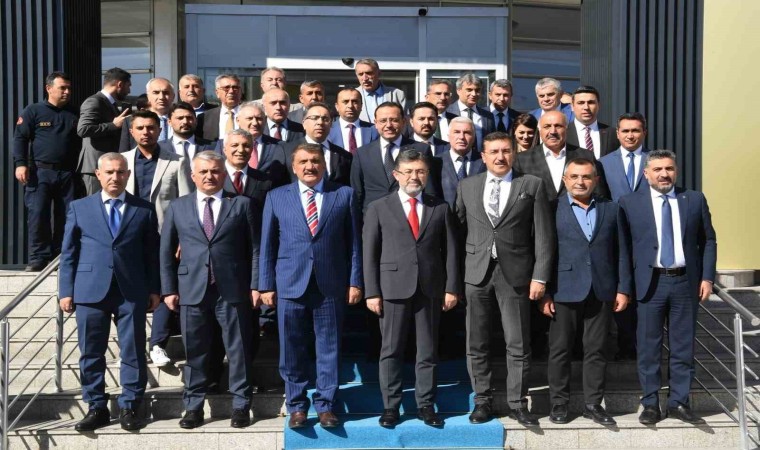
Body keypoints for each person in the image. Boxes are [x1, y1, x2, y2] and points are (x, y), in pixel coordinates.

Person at [454, 132, 554, 427]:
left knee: (518, 342)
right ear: (483, 156)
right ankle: (482, 401)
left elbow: (544, 236)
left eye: (506, 151)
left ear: (514, 153)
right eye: (494, 152)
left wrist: (540, 277)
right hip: (476, 273)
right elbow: (457, 232)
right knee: (476, 342)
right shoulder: (467, 185)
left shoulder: (531, 184)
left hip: (516, 274)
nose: (500, 157)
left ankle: (518, 403)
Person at [259, 143, 363, 429]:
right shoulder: (276, 197)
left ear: (324, 164)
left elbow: (354, 244)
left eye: (315, 161)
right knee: (291, 348)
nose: (310, 166)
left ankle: (326, 405)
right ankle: (296, 406)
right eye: (303, 161)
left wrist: (355, 281)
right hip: (290, 284)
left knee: (329, 347)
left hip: (330, 284)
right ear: (294, 167)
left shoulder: (344, 195)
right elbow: (267, 245)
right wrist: (265, 284)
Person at [59, 152, 160, 432]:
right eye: (110, 172)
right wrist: (66, 290)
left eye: (120, 172)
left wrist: (154, 288)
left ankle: (130, 406)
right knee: (91, 351)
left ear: (128, 175)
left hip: (131, 290)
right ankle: (96, 407)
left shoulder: (144, 209)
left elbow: (151, 254)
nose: (115, 177)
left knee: (133, 350)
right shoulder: (80, 207)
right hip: (90, 290)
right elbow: (69, 252)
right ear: (98, 174)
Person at [159, 151, 260, 429]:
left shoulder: (241, 204)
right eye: (203, 171)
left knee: (238, 350)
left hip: (233, 288)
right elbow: (166, 251)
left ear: (224, 174)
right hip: (191, 290)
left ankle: (241, 405)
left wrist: (256, 284)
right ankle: (193, 406)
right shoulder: (178, 206)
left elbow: (255, 249)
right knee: (195, 351)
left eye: (215, 171)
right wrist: (168, 289)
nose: (209, 176)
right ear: (193, 176)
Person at [617, 149, 717, 426]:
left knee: (683, 346)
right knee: (648, 347)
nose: (664, 174)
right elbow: (623, 250)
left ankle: (679, 402)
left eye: (669, 169)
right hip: (649, 285)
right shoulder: (629, 203)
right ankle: (650, 403)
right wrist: (624, 288)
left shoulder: (694, 199)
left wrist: (707, 277)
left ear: (676, 171)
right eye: (658, 169)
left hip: (685, 283)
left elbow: (708, 240)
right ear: (646, 173)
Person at [364, 149, 460, 428]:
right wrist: (372, 291)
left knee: (427, 351)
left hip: (430, 288)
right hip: (392, 288)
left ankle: (425, 405)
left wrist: (452, 288)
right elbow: (370, 253)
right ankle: (391, 407)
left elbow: (451, 252)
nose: (414, 176)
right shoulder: (379, 207)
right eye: (408, 171)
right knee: (391, 350)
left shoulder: (439, 207)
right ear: (396, 175)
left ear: (427, 175)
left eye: (420, 171)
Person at [539, 158, 628, 426]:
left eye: (587, 177)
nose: (580, 182)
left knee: (597, 349)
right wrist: (545, 292)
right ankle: (559, 403)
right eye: (575, 176)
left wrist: (623, 289)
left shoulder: (611, 209)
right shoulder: (550, 209)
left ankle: (593, 404)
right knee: (560, 349)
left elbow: (622, 252)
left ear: (596, 180)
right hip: (562, 289)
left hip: (602, 289)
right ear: (565, 180)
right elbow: (543, 251)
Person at [13, 72, 80, 271]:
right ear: (49, 88)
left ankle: (60, 257)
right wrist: (20, 164)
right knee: (38, 215)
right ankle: (38, 258)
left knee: (66, 216)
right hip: (40, 172)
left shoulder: (75, 113)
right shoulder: (33, 111)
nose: (67, 92)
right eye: (62, 88)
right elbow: (20, 138)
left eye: (69, 88)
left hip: (68, 173)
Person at [599, 112, 651, 361]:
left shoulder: (655, 160)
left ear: (644, 133)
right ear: (618, 134)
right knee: (620, 289)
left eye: (636, 130)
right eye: (626, 131)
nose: (631, 135)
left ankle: (643, 346)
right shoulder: (603, 163)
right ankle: (625, 345)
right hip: (615, 237)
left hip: (648, 239)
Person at [350, 102, 432, 214]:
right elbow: (357, 193)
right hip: (373, 217)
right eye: (383, 121)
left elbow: (430, 190)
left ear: (403, 122)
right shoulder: (362, 153)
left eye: (394, 120)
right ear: (375, 123)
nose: (388, 125)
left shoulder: (421, 149)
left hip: (410, 215)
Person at [121, 109, 192, 231]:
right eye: (140, 128)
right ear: (131, 132)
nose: (145, 132)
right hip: (129, 228)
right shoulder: (122, 160)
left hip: (163, 229)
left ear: (159, 131)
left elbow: (185, 201)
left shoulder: (178, 162)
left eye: (150, 128)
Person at [512, 111, 602, 204]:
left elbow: (599, 193)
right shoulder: (521, 160)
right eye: (547, 126)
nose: (553, 131)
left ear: (566, 128)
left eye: (558, 126)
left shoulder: (586, 156)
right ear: (539, 130)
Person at [77, 67, 132, 195]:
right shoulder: (94, 101)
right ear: (119, 84)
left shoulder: (110, 103)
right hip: (95, 167)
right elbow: (83, 129)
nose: (129, 91)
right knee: (95, 204)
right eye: (128, 86)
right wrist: (113, 125)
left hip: (108, 166)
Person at [283, 102, 353, 186]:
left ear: (331, 124)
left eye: (325, 119)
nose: (320, 122)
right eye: (314, 118)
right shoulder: (286, 151)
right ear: (304, 123)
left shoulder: (344, 155)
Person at [434, 117, 486, 206]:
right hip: (446, 213)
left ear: (474, 137)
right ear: (448, 136)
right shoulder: (436, 162)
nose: (462, 137)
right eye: (457, 132)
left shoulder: (484, 161)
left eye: (467, 133)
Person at [120, 77, 175, 151]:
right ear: (148, 96)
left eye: (166, 93)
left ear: (173, 96)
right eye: (156, 92)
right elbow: (124, 151)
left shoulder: (184, 119)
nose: (161, 97)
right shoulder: (130, 120)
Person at [566, 86, 619, 159]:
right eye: (581, 103)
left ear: (598, 105)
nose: (586, 107)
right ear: (572, 106)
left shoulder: (613, 134)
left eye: (591, 102)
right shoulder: (563, 133)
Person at [445, 74, 495, 151]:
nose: (474, 94)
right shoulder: (447, 112)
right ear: (458, 91)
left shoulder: (488, 116)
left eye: (477, 90)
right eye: (469, 90)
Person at [355, 58, 408, 123]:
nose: (365, 78)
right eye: (360, 74)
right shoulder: (352, 96)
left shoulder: (397, 94)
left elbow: (405, 122)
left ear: (379, 73)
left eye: (369, 73)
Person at [328, 87, 377, 153]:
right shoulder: (328, 130)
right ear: (337, 106)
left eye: (355, 102)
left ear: (361, 106)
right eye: (345, 102)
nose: (350, 106)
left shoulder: (374, 130)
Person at [195, 74, 242, 142]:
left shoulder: (250, 115)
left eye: (235, 87)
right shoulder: (204, 118)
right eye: (226, 88)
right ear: (217, 93)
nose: (231, 91)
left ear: (241, 91)